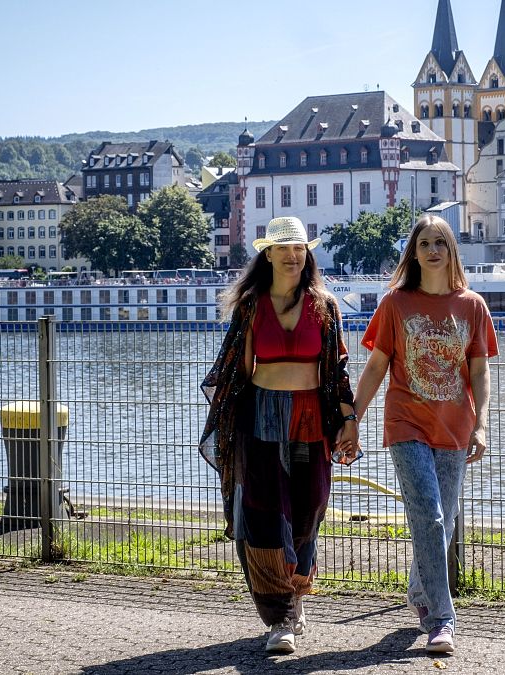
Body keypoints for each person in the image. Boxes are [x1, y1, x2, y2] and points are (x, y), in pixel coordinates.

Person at [199, 215, 359, 655]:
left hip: (311, 418)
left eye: (299, 248)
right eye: (283, 248)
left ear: (307, 254)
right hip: (263, 416)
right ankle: (280, 618)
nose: (292, 255)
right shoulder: (250, 305)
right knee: (266, 513)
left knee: (309, 510)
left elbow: (338, 370)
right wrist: (231, 423)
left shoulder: (324, 306)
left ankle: (296, 595)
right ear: (267, 254)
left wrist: (349, 418)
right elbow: (235, 369)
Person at [352, 214, 498, 655]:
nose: (433, 250)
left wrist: (482, 423)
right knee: (431, 517)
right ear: (413, 254)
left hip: (454, 428)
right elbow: (377, 365)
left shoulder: (472, 305)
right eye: (424, 244)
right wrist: (353, 418)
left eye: (441, 242)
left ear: (452, 250)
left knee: (440, 520)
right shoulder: (396, 304)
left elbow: (479, 369)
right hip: (406, 424)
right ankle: (441, 618)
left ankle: (420, 591)